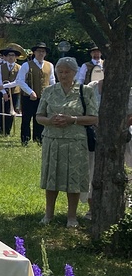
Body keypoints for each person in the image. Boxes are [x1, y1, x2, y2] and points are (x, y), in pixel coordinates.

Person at [36, 56, 98, 227]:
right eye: (60, 72)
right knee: (52, 178)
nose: (63, 75)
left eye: (67, 72)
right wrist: (49, 121)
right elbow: (39, 116)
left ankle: (72, 217)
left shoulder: (85, 91)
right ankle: (48, 214)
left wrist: (73, 119)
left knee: (74, 180)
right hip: (52, 140)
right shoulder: (49, 91)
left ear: (74, 72)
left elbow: (94, 118)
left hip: (76, 142)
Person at [16, 42, 55, 146]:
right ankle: (25, 140)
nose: (41, 53)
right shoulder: (26, 65)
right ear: (34, 52)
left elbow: (52, 81)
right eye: (39, 51)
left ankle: (38, 139)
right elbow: (20, 81)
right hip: (28, 97)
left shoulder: (50, 65)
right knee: (26, 119)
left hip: (44, 97)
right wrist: (30, 92)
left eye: (43, 51)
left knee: (40, 119)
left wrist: (52, 93)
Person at [0, 44, 23, 135]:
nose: (11, 57)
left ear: (16, 57)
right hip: (1, 93)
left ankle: (7, 131)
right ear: (6, 57)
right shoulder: (0, 67)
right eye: (9, 55)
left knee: (10, 112)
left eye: (13, 55)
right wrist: (4, 92)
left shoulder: (20, 68)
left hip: (14, 92)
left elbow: (18, 81)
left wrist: (5, 86)